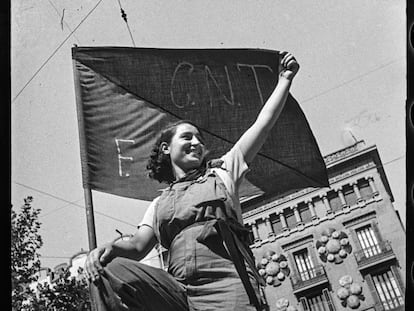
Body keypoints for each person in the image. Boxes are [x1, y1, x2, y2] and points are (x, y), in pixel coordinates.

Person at [84, 51, 300, 311]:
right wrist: (106, 250)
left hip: (228, 284)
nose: (197, 143)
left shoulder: (222, 174)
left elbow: (262, 126)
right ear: (166, 148)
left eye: (199, 139)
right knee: (107, 272)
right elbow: (137, 246)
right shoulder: (158, 204)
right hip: (179, 291)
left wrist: (285, 80)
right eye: (187, 137)